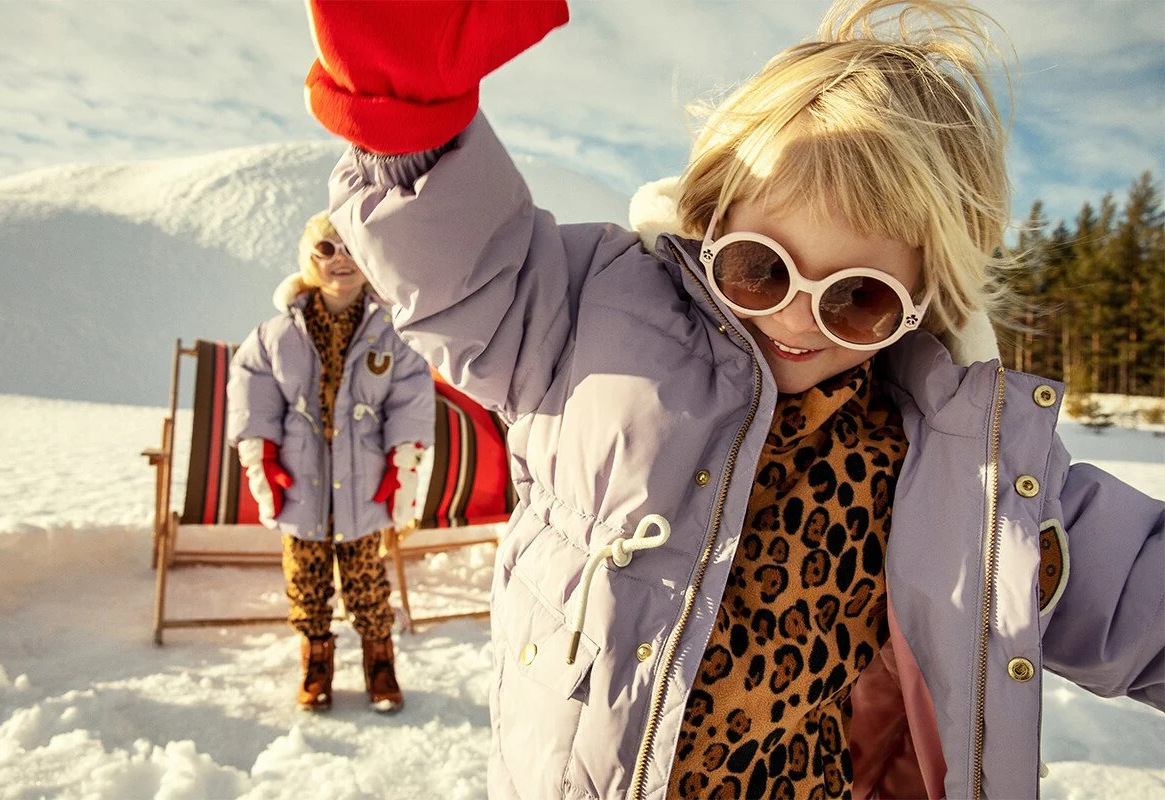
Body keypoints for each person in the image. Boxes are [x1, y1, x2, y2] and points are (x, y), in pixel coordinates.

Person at [301, 1, 1164, 797]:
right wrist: (407, 106)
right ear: (711, 221)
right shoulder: (589, 322)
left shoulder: (960, 461)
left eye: (856, 297)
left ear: (916, 303)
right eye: (762, 268)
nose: (796, 316)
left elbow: (1132, 595)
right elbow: (461, 266)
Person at [227, 210, 434, 714]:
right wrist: (263, 455)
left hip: (364, 484)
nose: (340, 261)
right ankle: (315, 660)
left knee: (368, 581)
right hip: (301, 482)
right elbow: (254, 394)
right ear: (308, 260)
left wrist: (402, 462)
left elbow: (409, 398)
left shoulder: (392, 335)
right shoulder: (275, 335)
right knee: (306, 579)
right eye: (326, 250)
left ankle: (378, 661)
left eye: (349, 248)